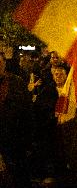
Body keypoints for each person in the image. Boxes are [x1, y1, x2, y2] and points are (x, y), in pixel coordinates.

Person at [0, 52, 33, 188]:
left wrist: (29, 141)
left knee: (19, 177)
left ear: (4, 64)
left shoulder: (16, 82)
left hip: (16, 140)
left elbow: (28, 111)